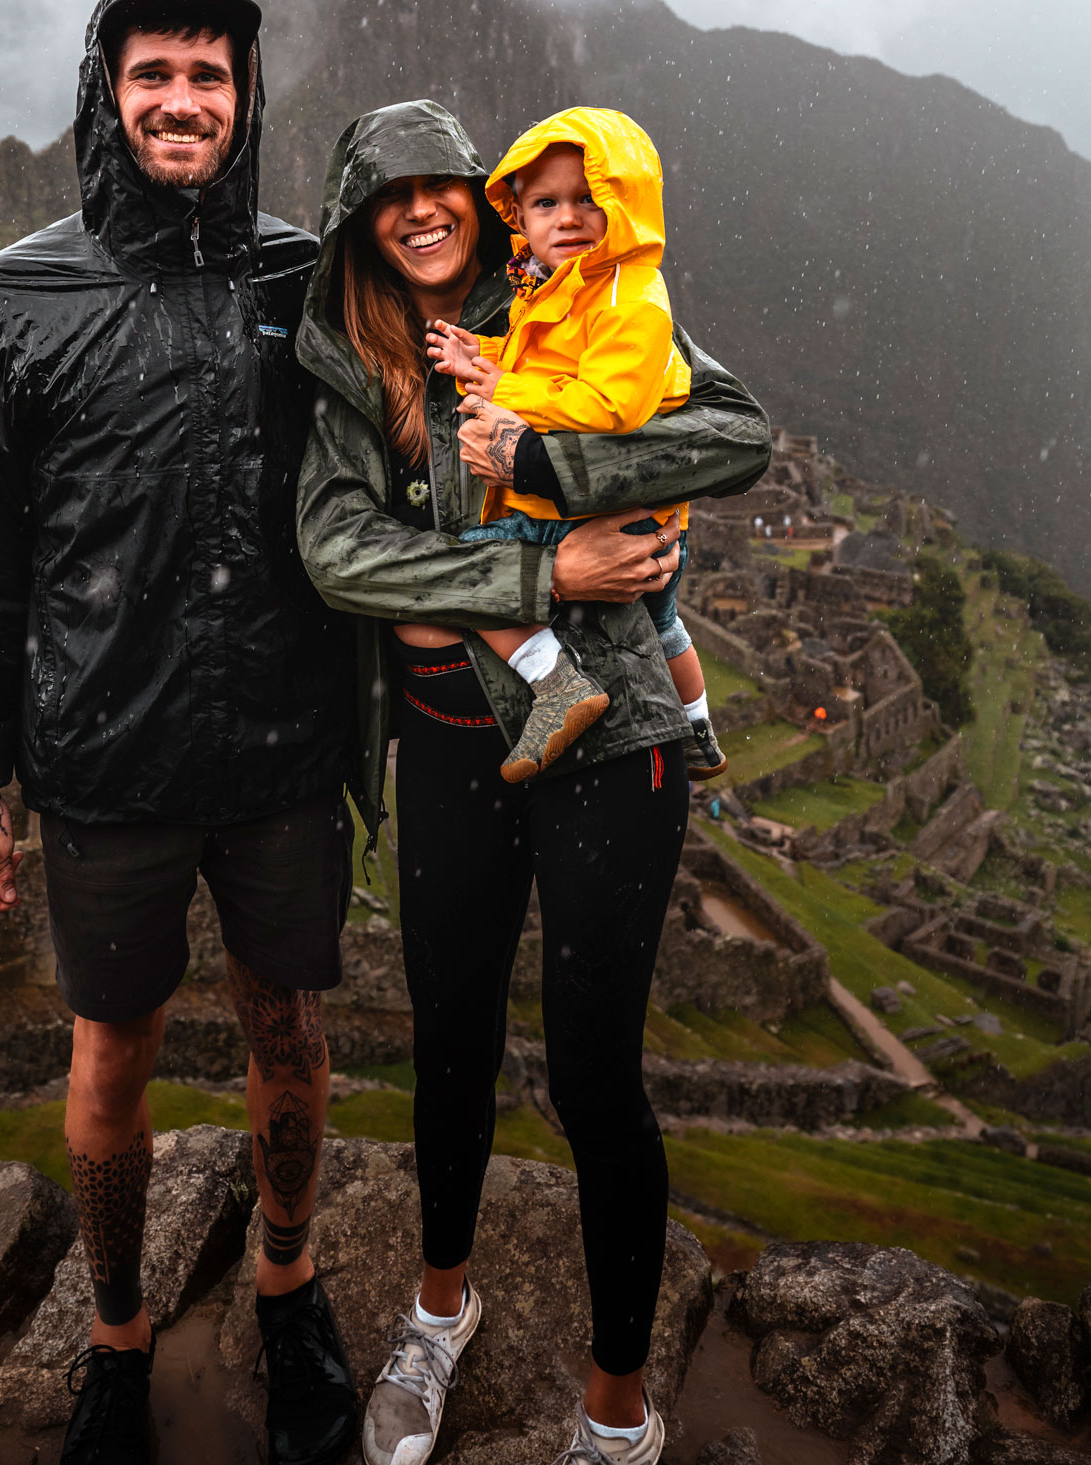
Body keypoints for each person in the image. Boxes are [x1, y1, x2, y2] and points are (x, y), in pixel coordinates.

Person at [295, 99, 769, 1465]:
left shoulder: (573, 293)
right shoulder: (341, 359)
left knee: (592, 1071)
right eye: (391, 197)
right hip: (448, 744)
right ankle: (438, 1312)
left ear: (482, 198)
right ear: (360, 221)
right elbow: (339, 553)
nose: (422, 212)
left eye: (444, 187)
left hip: (608, 743)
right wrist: (538, 568)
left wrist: (558, 460)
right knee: (445, 1044)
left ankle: (616, 1403)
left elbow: (732, 434)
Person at [0, 0, 360, 1465]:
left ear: (246, 101)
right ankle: (114, 1338)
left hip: (285, 750)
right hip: (107, 756)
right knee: (109, 1057)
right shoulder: (14, 298)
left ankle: (288, 1285)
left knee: (288, 1030)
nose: (183, 98)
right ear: (105, 91)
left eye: (212, 77)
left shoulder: (307, 279)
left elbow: (449, 404)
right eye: (155, 72)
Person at [424, 107, 726, 786]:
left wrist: (505, 388)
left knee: (471, 572)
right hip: (639, 510)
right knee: (665, 619)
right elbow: (551, 360)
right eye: (545, 202)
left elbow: (607, 405)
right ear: (520, 215)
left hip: (598, 503)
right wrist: (487, 351)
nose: (567, 217)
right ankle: (699, 725)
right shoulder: (568, 289)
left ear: (626, 203)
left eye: (590, 197)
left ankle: (555, 681)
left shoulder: (632, 300)